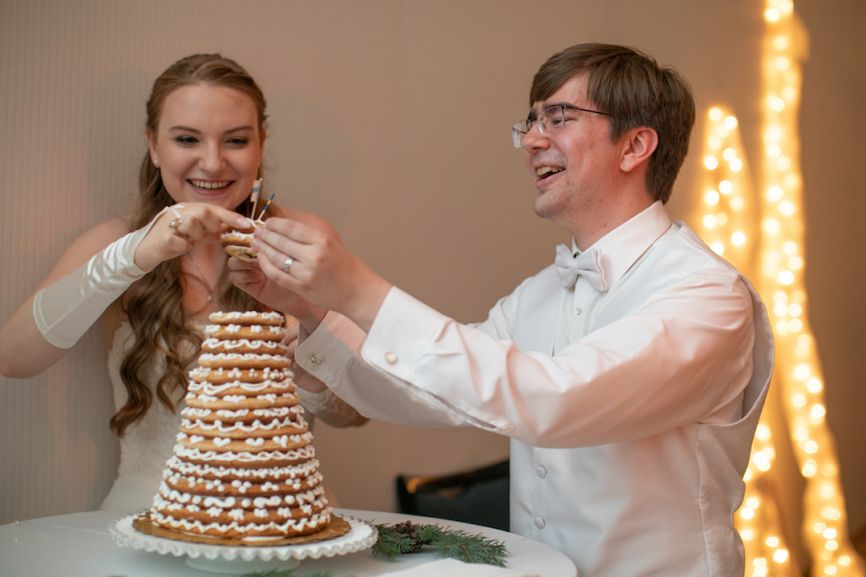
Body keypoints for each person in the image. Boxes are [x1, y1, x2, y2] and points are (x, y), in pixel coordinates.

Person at [229, 43, 774, 576]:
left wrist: (358, 290)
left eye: (557, 118)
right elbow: (432, 391)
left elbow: (556, 401)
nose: (532, 141)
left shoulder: (707, 295)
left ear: (634, 146)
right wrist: (314, 313)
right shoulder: (539, 292)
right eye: (530, 123)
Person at [0, 53, 365, 512]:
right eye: (187, 139)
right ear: (154, 145)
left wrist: (315, 370)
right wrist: (136, 254)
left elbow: (356, 415)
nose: (212, 163)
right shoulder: (116, 243)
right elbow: (12, 359)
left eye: (235, 140)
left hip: (285, 525)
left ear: (261, 144)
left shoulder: (303, 239)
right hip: (145, 521)